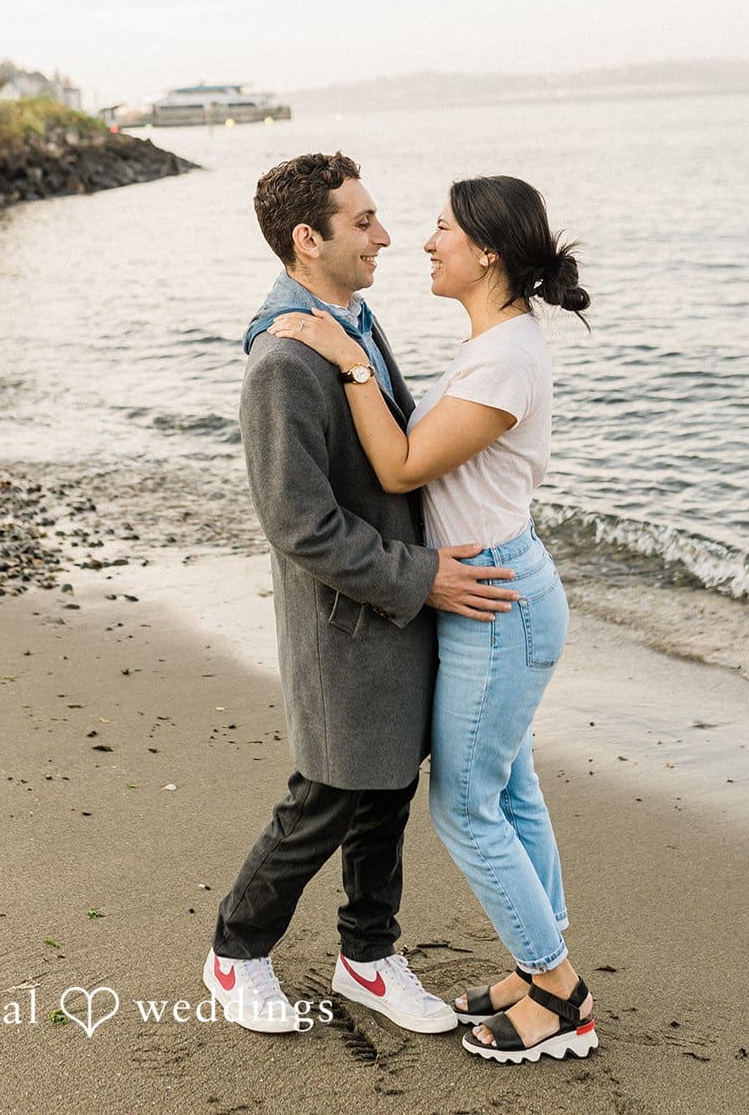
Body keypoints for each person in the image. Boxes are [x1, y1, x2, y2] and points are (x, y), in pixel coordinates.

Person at [271, 174, 597, 1066]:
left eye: (442, 228)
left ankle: (558, 993)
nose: (423, 241)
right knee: (510, 791)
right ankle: (543, 971)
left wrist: (345, 361)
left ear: (487, 250)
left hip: (494, 596)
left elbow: (407, 464)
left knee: (464, 808)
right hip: (487, 586)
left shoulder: (504, 358)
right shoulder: (493, 340)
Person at [203, 152, 520, 1035]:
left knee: (383, 791)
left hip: (392, 612)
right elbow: (297, 524)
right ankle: (235, 952)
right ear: (308, 240)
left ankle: (368, 959)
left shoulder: (351, 317)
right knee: (329, 794)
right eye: (363, 221)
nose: (386, 236)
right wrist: (424, 577)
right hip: (346, 621)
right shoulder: (282, 359)